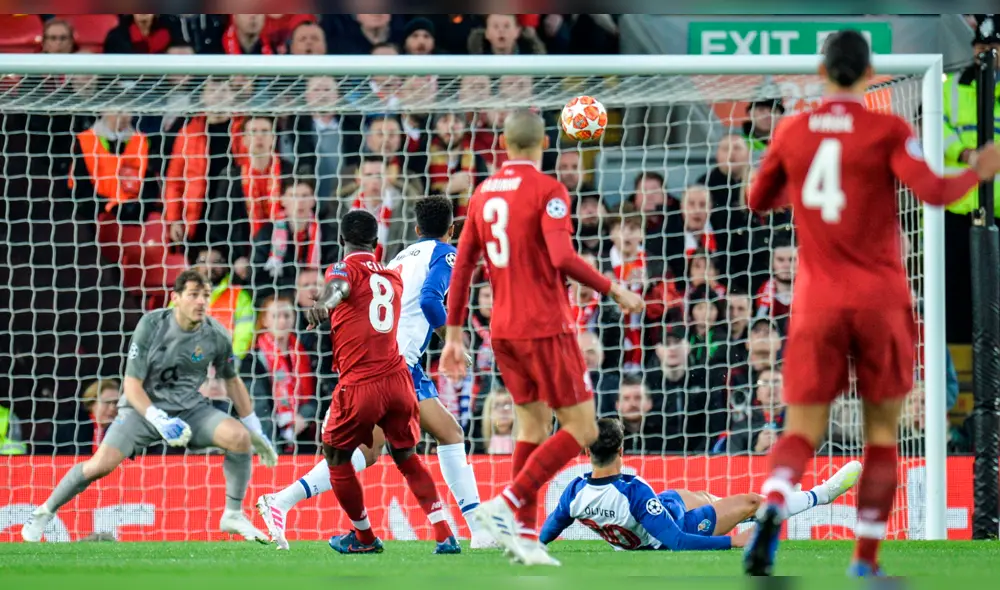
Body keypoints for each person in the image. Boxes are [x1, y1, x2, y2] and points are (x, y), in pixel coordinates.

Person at [742, 29, 1000, 577]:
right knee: (882, 433)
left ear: (821, 71)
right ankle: (864, 561)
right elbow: (932, 190)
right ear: (867, 74)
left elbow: (756, 200)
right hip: (880, 301)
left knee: (800, 429)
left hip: (816, 304)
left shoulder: (791, 131)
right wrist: (978, 169)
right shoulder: (886, 129)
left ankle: (773, 501)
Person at [440, 109, 645, 566]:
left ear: (505, 145)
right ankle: (508, 504)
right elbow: (561, 255)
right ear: (545, 142)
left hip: (502, 332)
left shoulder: (481, 193)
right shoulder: (549, 190)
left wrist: (454, 334)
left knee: (532, 427)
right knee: (585, 428)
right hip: (545, 327)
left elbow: (463, 268)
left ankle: (527, 539)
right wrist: (613, 288)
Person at [256, 196, 494, 550]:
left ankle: (285, 501)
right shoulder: (445, 254)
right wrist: (453, 339)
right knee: (413, 445)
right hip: (398, 365)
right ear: (452, 229)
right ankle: (475, 530)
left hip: (387, 360)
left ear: (414, 229)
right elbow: (430, 299)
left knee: (416, 441)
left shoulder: (399, 260)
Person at [21, 270, 277, 543]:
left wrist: (254, 428)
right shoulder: (151, 326)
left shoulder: (216, 335)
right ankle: (44, 511)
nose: (201, 301)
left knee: (238, 438)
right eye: (193, 295)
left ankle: (233, 514)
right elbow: (131, 384)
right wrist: (158, 418)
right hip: (141, 409)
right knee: (99, 466)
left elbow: (233, 381)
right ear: (175, 298)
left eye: (204, 295)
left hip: (190, 410)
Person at [300, 209, 459, 555]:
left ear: (342, 241)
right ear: (377, 244)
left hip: (360, 383)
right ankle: (445, 534)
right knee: (407, 456)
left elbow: (339, 287)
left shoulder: (342, 268)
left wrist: (324, 305)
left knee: (335, 455)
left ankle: (365, 537)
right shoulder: (393, 276)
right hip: (401, 381)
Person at [539, 418, 861, 552]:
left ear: (585, 452)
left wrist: (526, 544)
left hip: (661, 509)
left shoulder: (574, 491)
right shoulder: (633, 492)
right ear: (622, 450)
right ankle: (823, 495)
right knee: (751, 502)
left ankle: (722, 507)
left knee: (693, 494)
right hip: (662, 536)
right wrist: (733, 543)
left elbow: (548, 532)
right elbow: (677, 541)